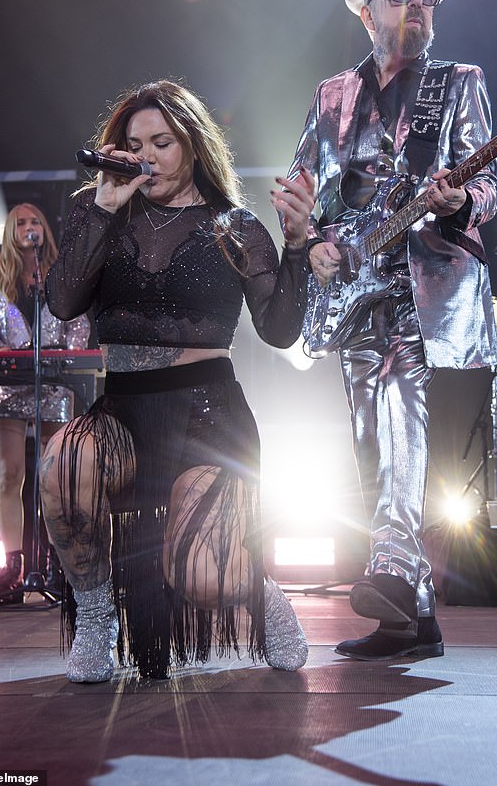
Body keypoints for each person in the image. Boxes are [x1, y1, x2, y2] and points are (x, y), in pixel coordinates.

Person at [39, 79, 316, 682]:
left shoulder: (233, 225)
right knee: (62, 461)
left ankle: (259, 589)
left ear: (191, 145)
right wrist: (105, 210)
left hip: (207, 413)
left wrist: (295, 246)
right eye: (135, 143)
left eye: (162, 142)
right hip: (123, 410)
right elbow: (62, 304)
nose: (147, 156)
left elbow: (278, 329)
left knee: (204, 577)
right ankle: (94, 614)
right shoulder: (98, 209)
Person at [285, 0, 497, 660]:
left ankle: (390, 568)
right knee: (368, 441)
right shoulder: (332, 96)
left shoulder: (458, 81)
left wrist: (462, 194)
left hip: (421, 282)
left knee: (401, 410)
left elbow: (489, 185)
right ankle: (413, 617)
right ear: (370, 7)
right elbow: (301, 186)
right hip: (352, 290)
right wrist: (310, 240)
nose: (419, 3)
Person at [0, 203, 91, 602]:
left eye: (34, 222)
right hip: (9, 383)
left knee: (55, 476)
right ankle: (12, 566)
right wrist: (5, 352)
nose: (28, 228)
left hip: (53, 382)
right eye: (20, 223)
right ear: (9, 230)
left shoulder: (60, 275)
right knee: (10, 475)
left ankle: (57, 562)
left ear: (44, 230)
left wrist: (68, 357)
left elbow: (78, 321)